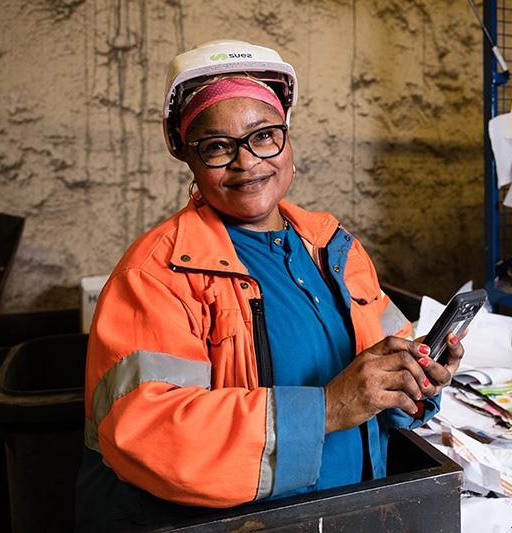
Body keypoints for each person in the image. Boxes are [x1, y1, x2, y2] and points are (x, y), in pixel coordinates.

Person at [75, 40, 464, 531]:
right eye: (217, 146)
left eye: (263, 136)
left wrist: (417, 379)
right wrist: (327, 408)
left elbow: (381, 379)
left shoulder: (333, 247)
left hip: (351, 510)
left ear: (287, 139)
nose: (246, 161)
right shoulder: (155, 276)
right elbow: (146, 434)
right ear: (187, 156)